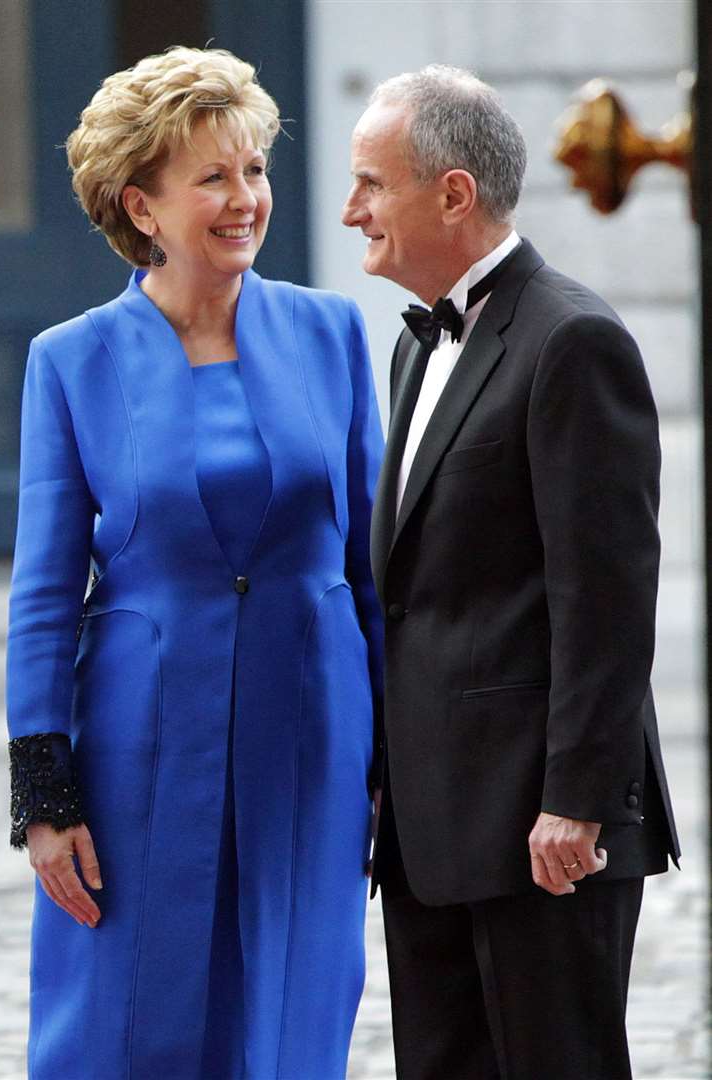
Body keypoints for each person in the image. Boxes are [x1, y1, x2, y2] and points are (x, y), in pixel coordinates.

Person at [4, 47, 384, 1079]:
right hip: (138, 738)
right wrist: (43, 792)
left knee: (294, 1001)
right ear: (142, 205)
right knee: (125, 1013)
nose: (245, 198)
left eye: (254, 170)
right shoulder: (70, 359)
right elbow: (44, 593)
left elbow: (373, 563)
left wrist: (398, 750)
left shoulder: (331, 333)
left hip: (311, 727)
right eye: (212, 177)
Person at [343, 65, 680, 1078]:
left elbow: (607, 596)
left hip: (544, 832)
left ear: (452, 193)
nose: (351, 207)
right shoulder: (417, 346)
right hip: (430, 826)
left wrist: (574, 800)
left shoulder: (571, 340)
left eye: (371, 182)